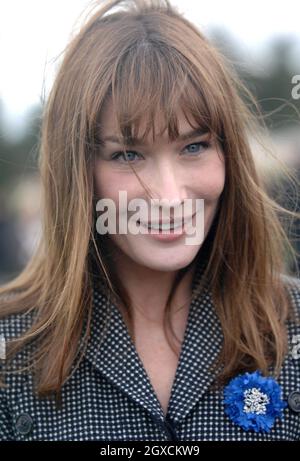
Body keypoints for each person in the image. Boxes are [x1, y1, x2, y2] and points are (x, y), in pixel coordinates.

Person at [1, 0, 300, 442]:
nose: (169, 195)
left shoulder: (292, 325)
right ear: (77, 172)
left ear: (229, 153)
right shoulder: (10, 352)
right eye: (127, 154)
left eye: (194, 146)